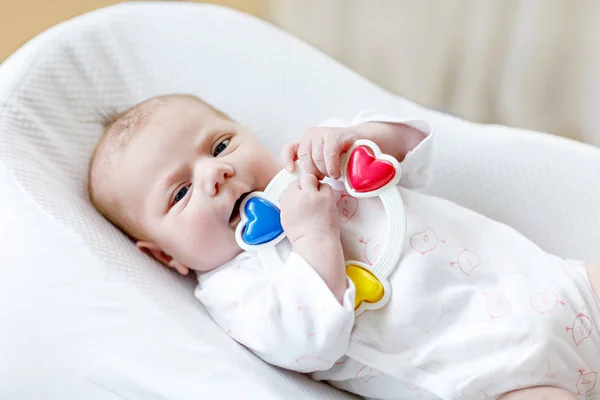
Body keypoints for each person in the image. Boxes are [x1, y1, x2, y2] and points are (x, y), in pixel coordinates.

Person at [88, 93, 599, 399]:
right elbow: (308, 339)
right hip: (494, 378)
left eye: (221, 145)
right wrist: (313, 236)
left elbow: (416, 147)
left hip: (559, 283)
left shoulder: (314, 163)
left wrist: (359, 135)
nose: (216, 173)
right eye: (180, 193)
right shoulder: (236, 291)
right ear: (164, 256)